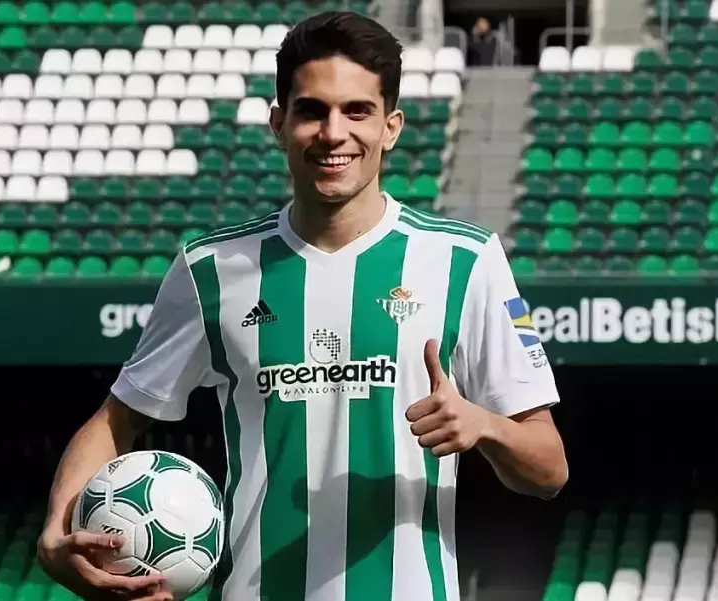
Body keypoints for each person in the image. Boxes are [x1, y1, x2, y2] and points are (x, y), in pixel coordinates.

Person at [36, 11, 568, 601]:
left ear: (391, 127)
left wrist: (484, 425)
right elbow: (116, 420)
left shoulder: (466, 260)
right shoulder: (210, 269)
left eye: (357, 111)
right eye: (312, 110)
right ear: (279, 123)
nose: (333, 133)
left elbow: (549, 470)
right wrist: (57, 528)